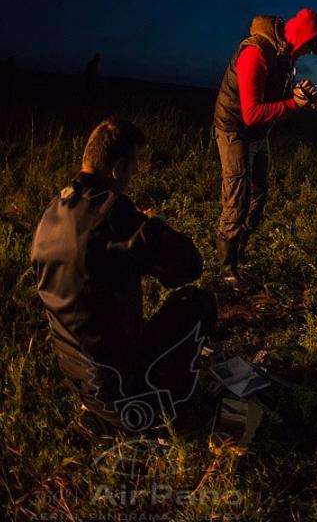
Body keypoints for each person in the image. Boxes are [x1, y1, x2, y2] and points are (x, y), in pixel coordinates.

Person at [31, 118, 216, 433]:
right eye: (132, 169)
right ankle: (163, 404)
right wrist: (154, 225)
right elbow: (188, 267)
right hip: (120, 392)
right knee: (197, 303)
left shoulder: (54, 210)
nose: (131, 178)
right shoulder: (113, 215)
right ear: (117, 169)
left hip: (76, 373)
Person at [213, 9, 317, 289]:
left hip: (257, 133)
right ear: (302, 37)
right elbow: (251, 113)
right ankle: (227, 271)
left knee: (258, 194)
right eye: (309, 47)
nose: (306, 54)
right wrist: (294, 104)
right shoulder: (255, 54)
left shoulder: (285, 54)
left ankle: (239, 249)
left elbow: (275, 98)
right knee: (237, 198)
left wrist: (300, 96)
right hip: (235, 130)